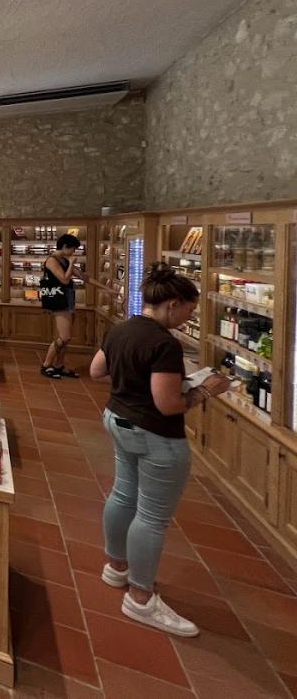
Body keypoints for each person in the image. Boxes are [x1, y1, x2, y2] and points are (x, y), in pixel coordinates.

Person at [89, 263, 230, 637]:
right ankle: (140, 598)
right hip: (155, 434)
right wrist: (203, 391)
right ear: (171, 304)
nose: (188, 318)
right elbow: (167, 404)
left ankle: (116, 566)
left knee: (122, 495)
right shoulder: (164, 344)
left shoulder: (120, 329)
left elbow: (95, 370)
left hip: (118, 421)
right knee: (151, 517)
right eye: (188, 310)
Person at [39, 233, 81, 378]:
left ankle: (59, 365)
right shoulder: (52, 260)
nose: (73, 253)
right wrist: (71, 263)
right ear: (64, 247)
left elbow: (83, 276)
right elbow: (64, 280)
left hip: (67, 299)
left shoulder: (64, 259)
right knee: (64, 337)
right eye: (73, 249)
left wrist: (106, 289)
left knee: (66, 338)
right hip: (59, 301)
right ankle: (46, 365)